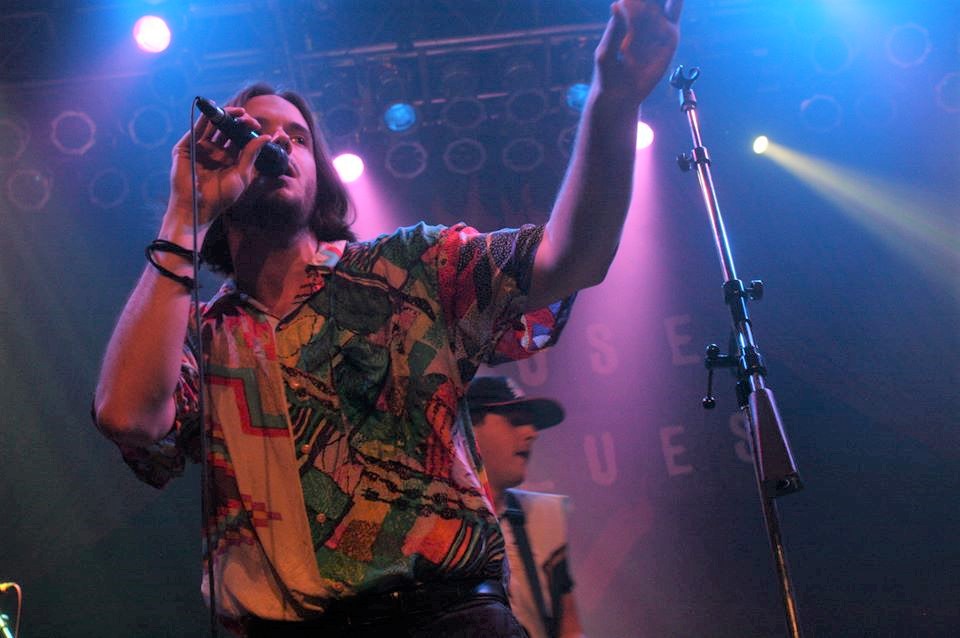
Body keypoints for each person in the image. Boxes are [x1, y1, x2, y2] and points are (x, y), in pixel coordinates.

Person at [92, 1, 682, 636]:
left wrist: (614, 99)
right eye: (255, 132)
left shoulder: (409, 266)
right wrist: (185, 212)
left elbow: (572, 258)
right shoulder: (200, 335)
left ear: (320, 175)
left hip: (447, 617)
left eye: (297, 137)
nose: (277, 144)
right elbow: (127, 417)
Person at [467, 376, 585, 638]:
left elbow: (569, 626)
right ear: (468, 427)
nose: (532, 433)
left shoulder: (544, 516)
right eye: (515, 420)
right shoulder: (430, 524)